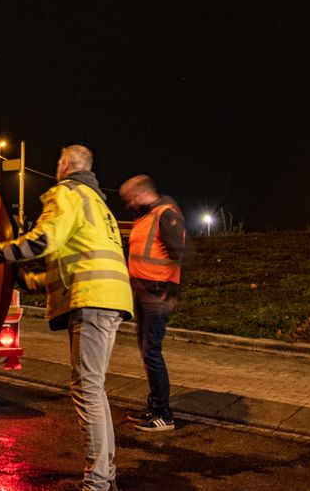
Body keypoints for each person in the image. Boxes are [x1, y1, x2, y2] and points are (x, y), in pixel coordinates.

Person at [0, 144, 133, 491]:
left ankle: (98, 482)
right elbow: (80, 258)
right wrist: (31, 281)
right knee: (94, 389)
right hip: (111, 298)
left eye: (59, 162)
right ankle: (106, 476)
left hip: (91, 300)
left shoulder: (66, 193)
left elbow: (43, 240)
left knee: (87, 390)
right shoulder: (98, 203)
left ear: (65, 164)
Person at [118, 174, 186, 433]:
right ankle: (155, 406)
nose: (129, 204)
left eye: (130, 199)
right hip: (143, 292)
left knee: (152, 352)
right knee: (147, 352)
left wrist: (171, 293)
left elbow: (180, 254)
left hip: (157, 293)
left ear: (140, 194)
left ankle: (164, 415)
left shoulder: (165, 213)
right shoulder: (145, 217)